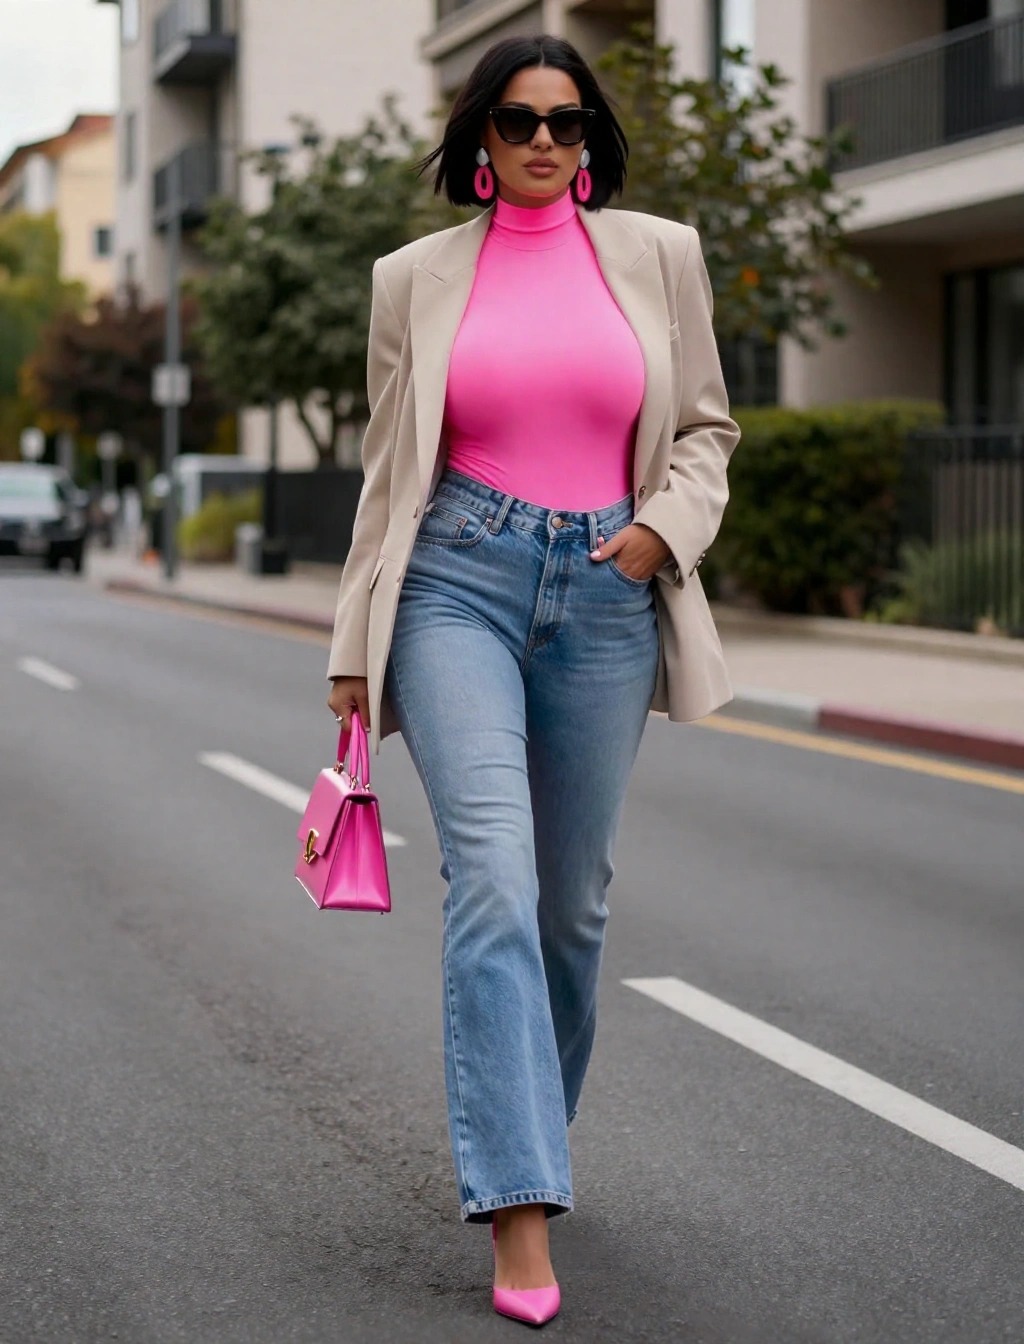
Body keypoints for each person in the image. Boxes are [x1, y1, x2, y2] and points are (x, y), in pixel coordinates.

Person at [327, 33, 740, 1328]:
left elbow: (706, 428)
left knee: (571, 910)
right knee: (494, 883)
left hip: (609, 592)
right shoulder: (413, 279)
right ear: (481, 143)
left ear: (592, 140)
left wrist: (664, 530)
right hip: (459, 576)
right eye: (518, 120)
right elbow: (391, 471)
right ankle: (518, 1208)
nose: (545, 140)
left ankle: (529, 1135)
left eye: (567, 121)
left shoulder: (659, 256)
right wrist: (353, 647)